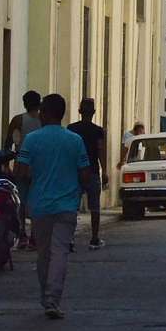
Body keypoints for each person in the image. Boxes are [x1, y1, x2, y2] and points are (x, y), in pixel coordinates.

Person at [15, 93, 92, 320]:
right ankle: (52, 299)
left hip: (40, 205)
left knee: (44, 254)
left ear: (45, 113)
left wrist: (34, 175)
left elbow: (21, 171)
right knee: (60, 252)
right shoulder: (74, 140)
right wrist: (79, 188)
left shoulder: (32, 140)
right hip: (67, 205)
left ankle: (46, 296)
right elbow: (85, 172)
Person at [68, 98, 108, 250]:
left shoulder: (71, 129)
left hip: (74, 172)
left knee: (72, 206)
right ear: (94, 112)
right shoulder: (98, 131)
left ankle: (70, 239)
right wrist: (104, 170)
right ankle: (95, 238)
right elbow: (100, 151)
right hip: (92, 170)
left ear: (79, 111)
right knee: (95, 207)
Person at [4, 90, 42, 249]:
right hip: (40, 165)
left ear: (25, 103)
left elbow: (8, 144)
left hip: (21, 165)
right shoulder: (44, 120)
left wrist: (7, 163)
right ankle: (34, 236)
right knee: (37, 201)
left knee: (22, 200)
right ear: (39, 103)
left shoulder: (18, 120)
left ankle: (22, 234)